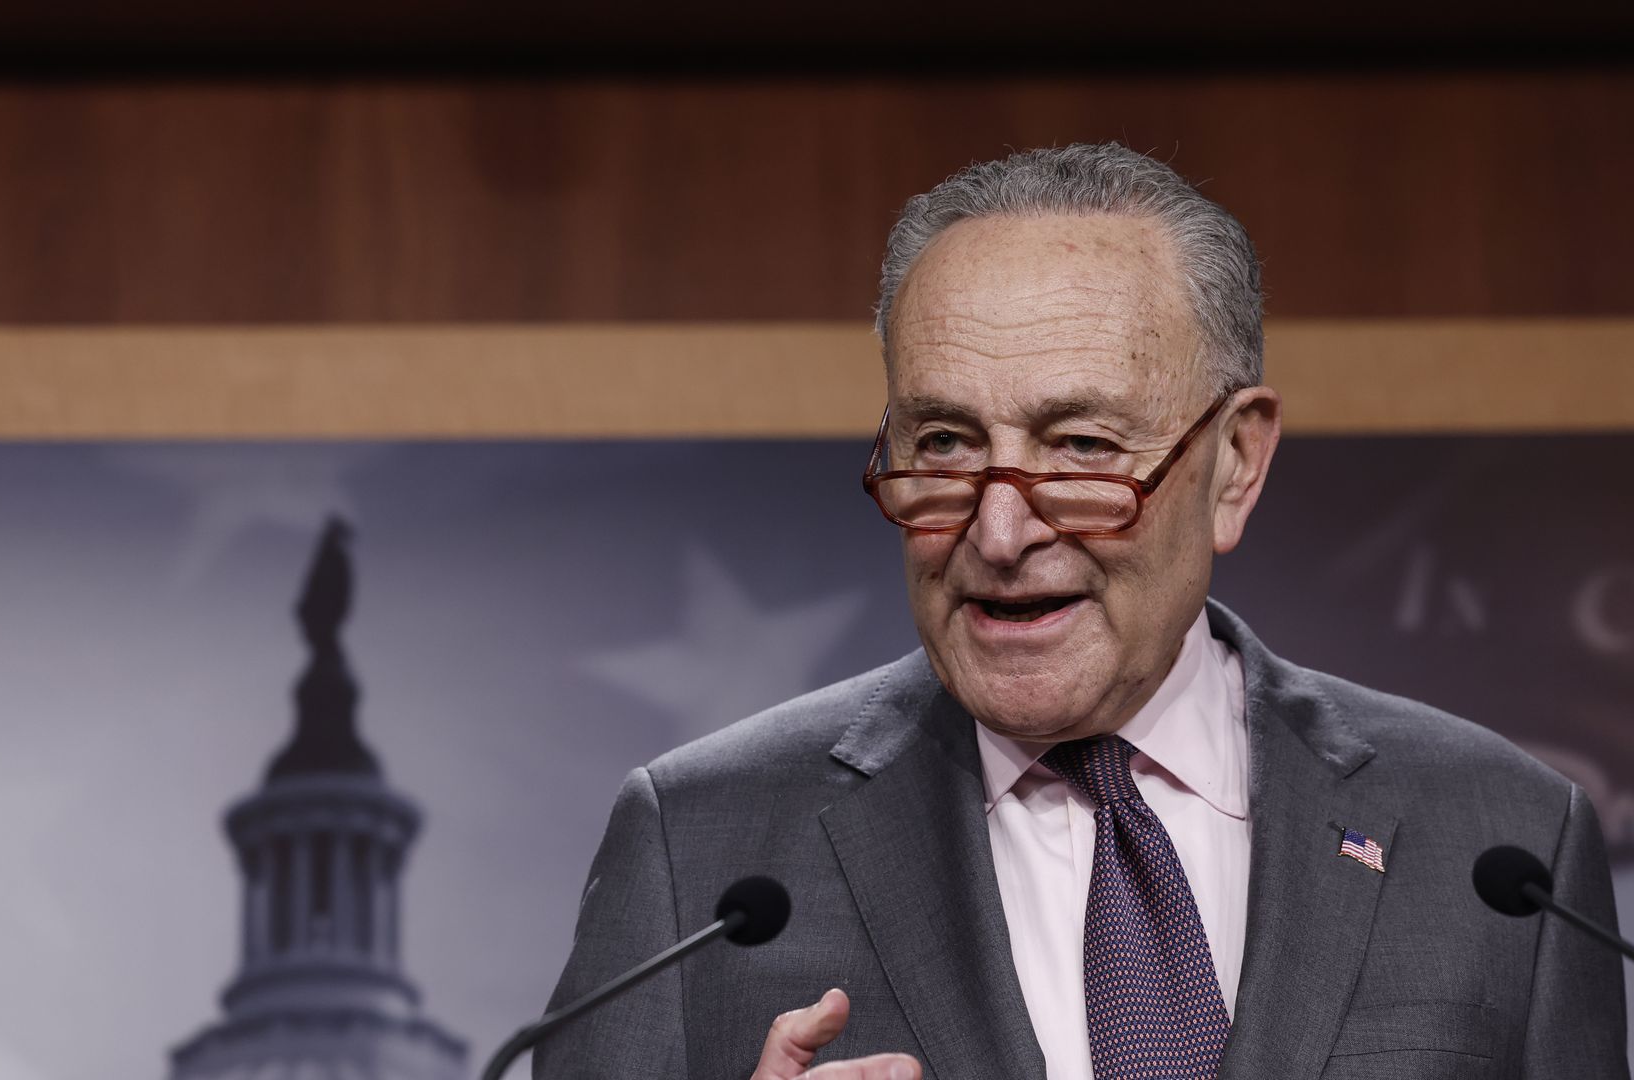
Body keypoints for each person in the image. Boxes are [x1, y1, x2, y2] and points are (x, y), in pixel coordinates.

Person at [534, 144, 1627, 1080]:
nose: (1000, 532)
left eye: (1082, 448)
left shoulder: (1500, 842)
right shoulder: (701, 851)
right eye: (945, 445)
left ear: (1235, 464)